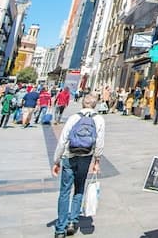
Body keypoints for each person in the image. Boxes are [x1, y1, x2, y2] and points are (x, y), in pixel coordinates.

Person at [52, 94, 106, 238]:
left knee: (64, 192)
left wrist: (56, 160)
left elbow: (63, 140)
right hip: (86, 157)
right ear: (95, 105)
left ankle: (60, 229)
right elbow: (100, 142)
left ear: (82, 103)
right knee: (79, 187)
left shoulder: (74, 118)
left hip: (69, 156)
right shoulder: (99, 119)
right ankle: (73, 221)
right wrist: (97, 161)